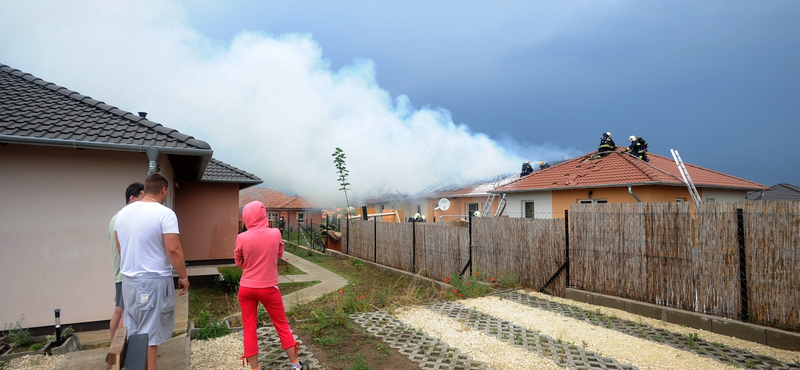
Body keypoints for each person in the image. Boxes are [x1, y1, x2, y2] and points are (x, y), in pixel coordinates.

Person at [115, 173, 190, 370]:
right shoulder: (164, 213)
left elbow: (120, 247)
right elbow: (173, 249)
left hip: (128, 280)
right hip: (152, 280)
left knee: (133, 329)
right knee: (150, 333)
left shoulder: (123, 213)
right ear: (163, 190)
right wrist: (183, 277)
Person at [236, 201, 309, 370]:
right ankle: (296, 366)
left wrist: (249, 264)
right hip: (268, 288)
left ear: (247, 217)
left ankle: (255, 369)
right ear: (263, 215)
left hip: (246, 288)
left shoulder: (241, 237)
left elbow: (238, 260)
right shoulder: (275, 233)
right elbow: (279, 253)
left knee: (249, 329)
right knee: (282, 325)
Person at [108, 182, 144, 342]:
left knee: (119, 310)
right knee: (123, 312)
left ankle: (114, 349)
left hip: (121, 273)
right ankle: (120, 348)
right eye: (141, 199)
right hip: (126, 275)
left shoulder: (116, 218)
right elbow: (121, 248)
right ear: (132, 198)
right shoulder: (123, 219)